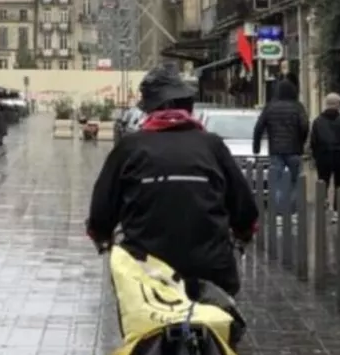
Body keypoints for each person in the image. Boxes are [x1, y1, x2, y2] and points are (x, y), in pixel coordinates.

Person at [87, 64, 258, 297]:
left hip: (145, 271)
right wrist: (243, 232)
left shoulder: (130, 148)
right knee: (222, 312)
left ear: (150, 110)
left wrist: (101, 235)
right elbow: (244, 205)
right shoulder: (212, 146)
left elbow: (102, 207)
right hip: (211, 269)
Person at [253, 77, 309, 220]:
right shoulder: (298, 107)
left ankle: (278, 213)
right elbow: (304, 126)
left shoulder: (270, 107)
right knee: (295, 181)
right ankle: (293, 212)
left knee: (276, 181)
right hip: (294, 150)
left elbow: (259, 127)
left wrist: (256, 147)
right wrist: (301, 142)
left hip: (276, 150)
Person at [308, 93, 340, 213]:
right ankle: (337, 211)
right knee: (339, 184)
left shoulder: (318, 121)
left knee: (323, 183)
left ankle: (323, 207)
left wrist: (315, 155)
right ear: (337, 105)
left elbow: (313, 141)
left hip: (323, 156)